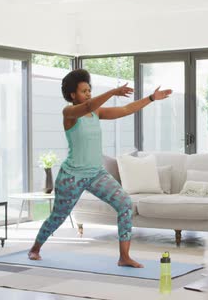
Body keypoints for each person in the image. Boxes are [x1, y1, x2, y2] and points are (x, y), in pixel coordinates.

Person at [27, 69, 172, 268]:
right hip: (72, 176)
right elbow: (87, 105)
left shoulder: (96, 112)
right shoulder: (69, 113)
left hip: (96, 174)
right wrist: (112, 92)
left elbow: (126, 109)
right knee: (58, 216)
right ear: (72, 95)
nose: (88, 94)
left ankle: (124, 257)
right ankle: (35, 248)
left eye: (89, 90)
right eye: (83, 91)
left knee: (125, 204)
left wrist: (151, 98)